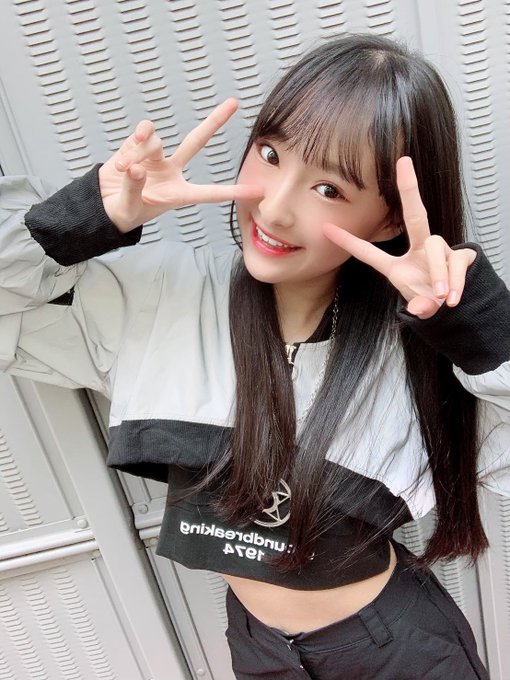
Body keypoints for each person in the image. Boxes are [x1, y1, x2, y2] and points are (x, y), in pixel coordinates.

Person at [0, 32, 506, 679]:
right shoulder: (162, 294)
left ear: (387, 220)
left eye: (330, 189)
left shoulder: (418, 344)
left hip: (395, 650)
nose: (274, 205)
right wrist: (85, 218)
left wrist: (477, 323)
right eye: (270, 154)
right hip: (258, 645)